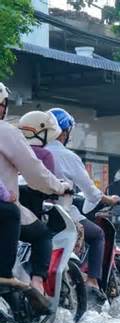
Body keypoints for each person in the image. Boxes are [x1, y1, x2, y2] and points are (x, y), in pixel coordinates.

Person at [0, 82, 72, 308]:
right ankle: (37, 284)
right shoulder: (7, 132)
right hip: (7, 206)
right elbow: (36, 173)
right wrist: (60, 187)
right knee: (42, 236)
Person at [46, 108, 120, 299]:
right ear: (64, 131)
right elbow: (91, 192)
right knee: (97, 235)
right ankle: (93, 281)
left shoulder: (32, 151)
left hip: (33, 213)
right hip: (62, 213)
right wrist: (110, 199)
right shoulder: (69, 157)